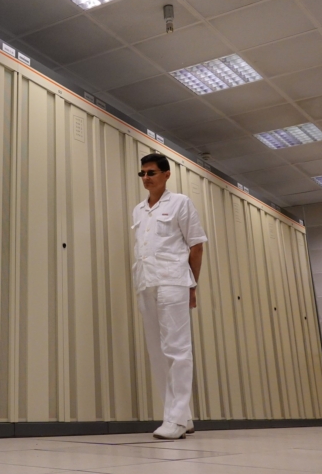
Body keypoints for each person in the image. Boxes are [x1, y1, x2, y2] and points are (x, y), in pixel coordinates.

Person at [131, 152, 206, 440]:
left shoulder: (181, 203)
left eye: (151, 172)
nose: (146, 178)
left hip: (173, 282)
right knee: (157, 352)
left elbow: (196, 246)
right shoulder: (138, 211)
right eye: (143, 173)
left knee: (177, 349)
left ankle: (175, 420)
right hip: (146, 283)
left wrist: (192, 286)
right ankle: (181, 415)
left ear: (166, 175)